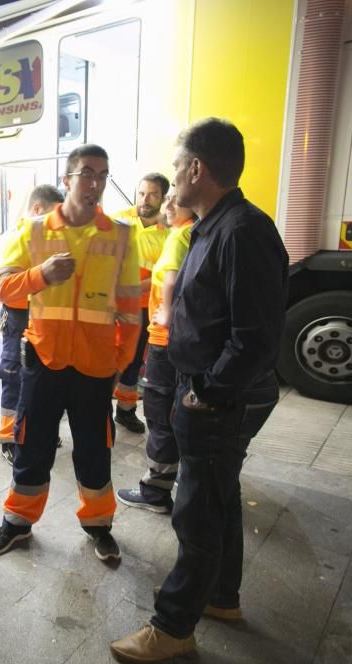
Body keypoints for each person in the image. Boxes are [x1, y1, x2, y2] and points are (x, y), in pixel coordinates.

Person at [111, 118, 288, 662]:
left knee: (196, 511)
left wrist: (207, 391)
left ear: (196, 168)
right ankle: (220, 596)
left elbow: (254, 336)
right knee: (219, 495)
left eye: (175, 164)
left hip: (213, 397)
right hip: (203, 388)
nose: (171, 177)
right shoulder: (213, 225)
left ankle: (173, 626)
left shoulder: (241, 232)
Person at [0, 144, 141, 562]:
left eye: (103, 175)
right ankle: (17, 522)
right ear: (68, 179)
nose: (96, 183)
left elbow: (130, 308)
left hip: (95, 367)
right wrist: (40, 275)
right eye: (87, 173)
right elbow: (1, 286)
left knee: (95, 449)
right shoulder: (33, 232)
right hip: (43, 359)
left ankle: (99, 525)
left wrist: (120, 364)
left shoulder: (120, 235)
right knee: (31, 444)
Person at [115, 187, 195, 514]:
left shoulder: (178, 235)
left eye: (174, 198)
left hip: (165, 336)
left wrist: (165, 314)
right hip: (177, 336)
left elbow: (171, 280)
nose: (166, 204)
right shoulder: (196, 231)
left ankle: (155, 493)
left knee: (160, 416)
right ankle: (177, 478)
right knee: (172, 409)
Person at [0, 184, 64, 465]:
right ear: (37, 209)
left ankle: (35, 429)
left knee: (42, 379)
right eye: (52, 214)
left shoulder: (50, 237)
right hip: (19, 317)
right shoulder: (19, 237)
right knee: (14, 376)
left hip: (44, 317)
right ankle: (9, 438)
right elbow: (4, 288)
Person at [112, 173, 171, 434]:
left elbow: (164, 274)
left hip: (145, 306)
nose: (144, 200)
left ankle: (125, 411)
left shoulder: (169, 231)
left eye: (152, 195)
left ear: (163, 198)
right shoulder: (120, 219)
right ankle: (96, 410)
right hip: (114, 304)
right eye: (141, 193)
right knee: (106, 358)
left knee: (134, 361)